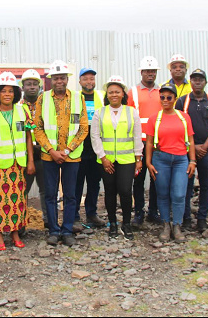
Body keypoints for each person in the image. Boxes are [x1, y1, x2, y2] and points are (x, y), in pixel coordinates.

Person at [34, 60, 89, 247]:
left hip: (71, 156)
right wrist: (51, 150)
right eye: (56, 78)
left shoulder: (77, 98)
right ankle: (53, 231)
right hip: (49, 156)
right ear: (51, 80)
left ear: (67, 79)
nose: (59, 81)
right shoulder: (43, 98)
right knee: (50, 194)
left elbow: (83, 128)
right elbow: (38, 128)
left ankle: (67, 231)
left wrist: (67, 150)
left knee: (70, 195)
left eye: (62, 78)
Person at [0, 72, 35, 250]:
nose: (7, 94)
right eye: (3, 91)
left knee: (18, 200)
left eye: (10, 91)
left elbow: (28, 137)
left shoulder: (22, 110)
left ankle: (15, 232)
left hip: (18, 165)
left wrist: (31, 161)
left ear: (16, 93)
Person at [91, 76, 143, 240]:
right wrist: (103, 157)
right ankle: (112, 223)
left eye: (117, 92)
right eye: (111, 92)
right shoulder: (100, 112)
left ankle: (126, 223)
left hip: (126, 159)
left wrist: (138, 157)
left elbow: (136, 136)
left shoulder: (131, 112)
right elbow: (95, 136)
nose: (114, 94)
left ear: (122, 94)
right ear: (107, 94)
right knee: (110, 192)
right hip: (106, 160)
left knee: (126, 191)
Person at [146, 84, 196, 243]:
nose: (165, 100)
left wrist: (192, 160)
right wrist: (148, 162)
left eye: (169, 97)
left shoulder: (184, 117)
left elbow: (191, 140)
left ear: (175, 99)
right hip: (161, 159)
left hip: (181, 159)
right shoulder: (155, 118)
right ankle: (166, 224)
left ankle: (177, 225)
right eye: (162, 97)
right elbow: (148, 143)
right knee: (162, 193)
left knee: (179, 194)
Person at [175, 69, 208, 233]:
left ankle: (202, 218)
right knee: (186, 184)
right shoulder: (182, 101)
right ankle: (186, 218)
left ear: (205, 82)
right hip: (187, 149)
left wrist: (205, 146)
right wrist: (192, 147)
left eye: (200, 79)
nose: (197, 82)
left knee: (206, 185)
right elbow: (177, 125)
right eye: (194, 79)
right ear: (191, 82)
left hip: (207, 150)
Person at [127, 56, 163, 226]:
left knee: (156, 179)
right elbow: (129, 118)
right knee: (138, 180)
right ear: (141, 72)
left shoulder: (163, 91)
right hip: (139, 144)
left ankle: (153, 211)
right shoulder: (132, 92)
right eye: (147, 71)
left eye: (153, 71)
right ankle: (139, 213)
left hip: (157, 144)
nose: (150, 74)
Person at [74, 67, 106, 231]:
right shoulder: (74, 97)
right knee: (77, 184)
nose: (89, 82)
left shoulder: (101, 96)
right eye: (85, 79)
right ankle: (75, 217)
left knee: (94, 183)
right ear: (80, 81)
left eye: (92, 78)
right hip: (79, 149)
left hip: (97, 149)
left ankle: (92, 214)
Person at [21, 69, 48, 229]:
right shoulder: (17, 107)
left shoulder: (46, 105)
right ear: (23, 87)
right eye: (28, 84)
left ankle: (48, 221)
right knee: (22, 191)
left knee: (47, 192)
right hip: (25, 157)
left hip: (45, 155)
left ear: (39, 86)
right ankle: (21, 224)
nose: (32, 87)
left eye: (35, 84)